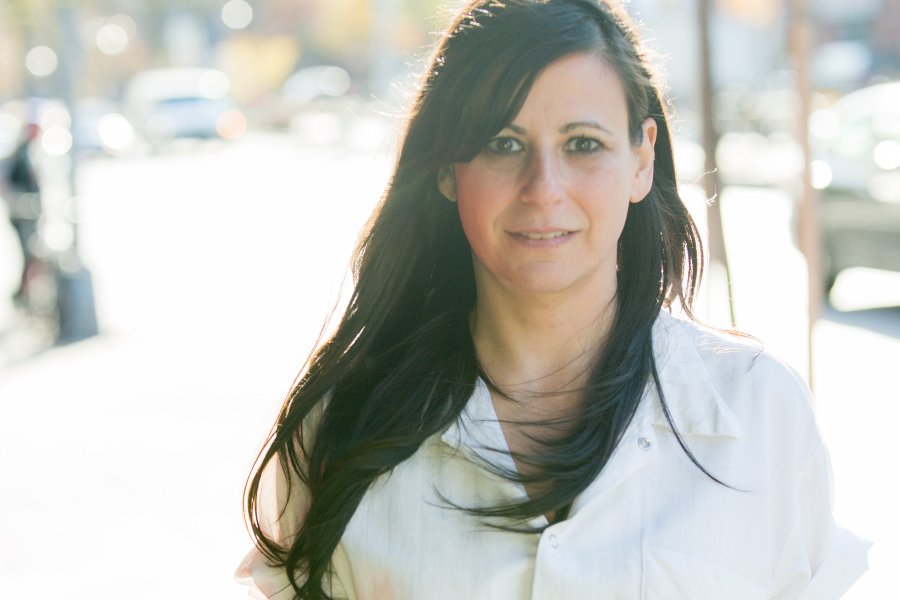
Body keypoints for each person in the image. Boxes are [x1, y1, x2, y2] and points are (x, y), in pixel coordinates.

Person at [236, 0, 870, 598]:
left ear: (642, 159)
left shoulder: (759, 412)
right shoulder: (344, 429)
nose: (544, 188)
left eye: (583, 144)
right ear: (446, 171)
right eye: (502, 144)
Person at [1, 120, 42, 306]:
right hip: (22, 213)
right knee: (27, 252)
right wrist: (16, 200)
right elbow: (6, 181)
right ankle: (22, 292)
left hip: (29, 211)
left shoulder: (29, 152)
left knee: (30, 252)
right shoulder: (20, 153)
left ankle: (26, 290)